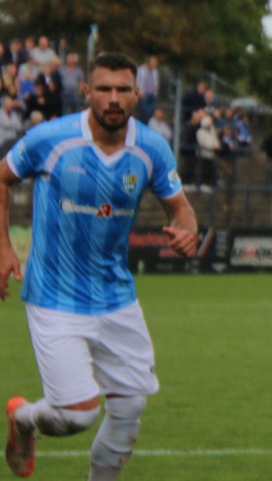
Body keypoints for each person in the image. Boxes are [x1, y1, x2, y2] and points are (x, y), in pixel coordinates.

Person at [0, 52, 199, 480]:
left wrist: (187, 231)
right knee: (77, 415)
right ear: (86, 92)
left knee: (129, 408)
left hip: (115, 297)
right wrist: (3, 246)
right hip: (54, 295)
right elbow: (2, 177)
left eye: (123, 90)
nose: (113, 98)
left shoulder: (150, 148)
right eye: (104, 89)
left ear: (137, 94)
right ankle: (23, 419)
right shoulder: (50, 138)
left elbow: (181, 209)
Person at [135, 56, 160, 122]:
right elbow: (137, 81)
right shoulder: (141, 70)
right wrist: (139, 92)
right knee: (143, 111)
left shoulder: (155, 71)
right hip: (143, 93)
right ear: (149, 62)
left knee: (151, 111)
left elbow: (156, 82)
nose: (155, 64)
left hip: (152, 93)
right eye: (153, 62)